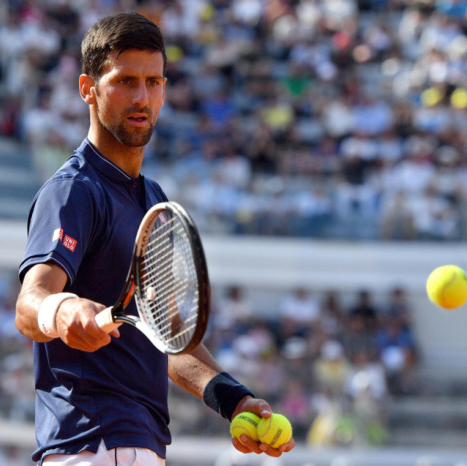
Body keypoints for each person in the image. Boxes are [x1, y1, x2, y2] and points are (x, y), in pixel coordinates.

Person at [15, 12, 295, 465]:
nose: (142, 97)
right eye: (125, 81)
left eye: (153, 81)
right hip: (95, 440)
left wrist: (235, 401)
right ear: (88, 89)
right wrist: (63, 309)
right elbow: (30, 304)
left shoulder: (154, 199)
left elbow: (168, 340)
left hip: (137, 443)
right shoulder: (74, 190)